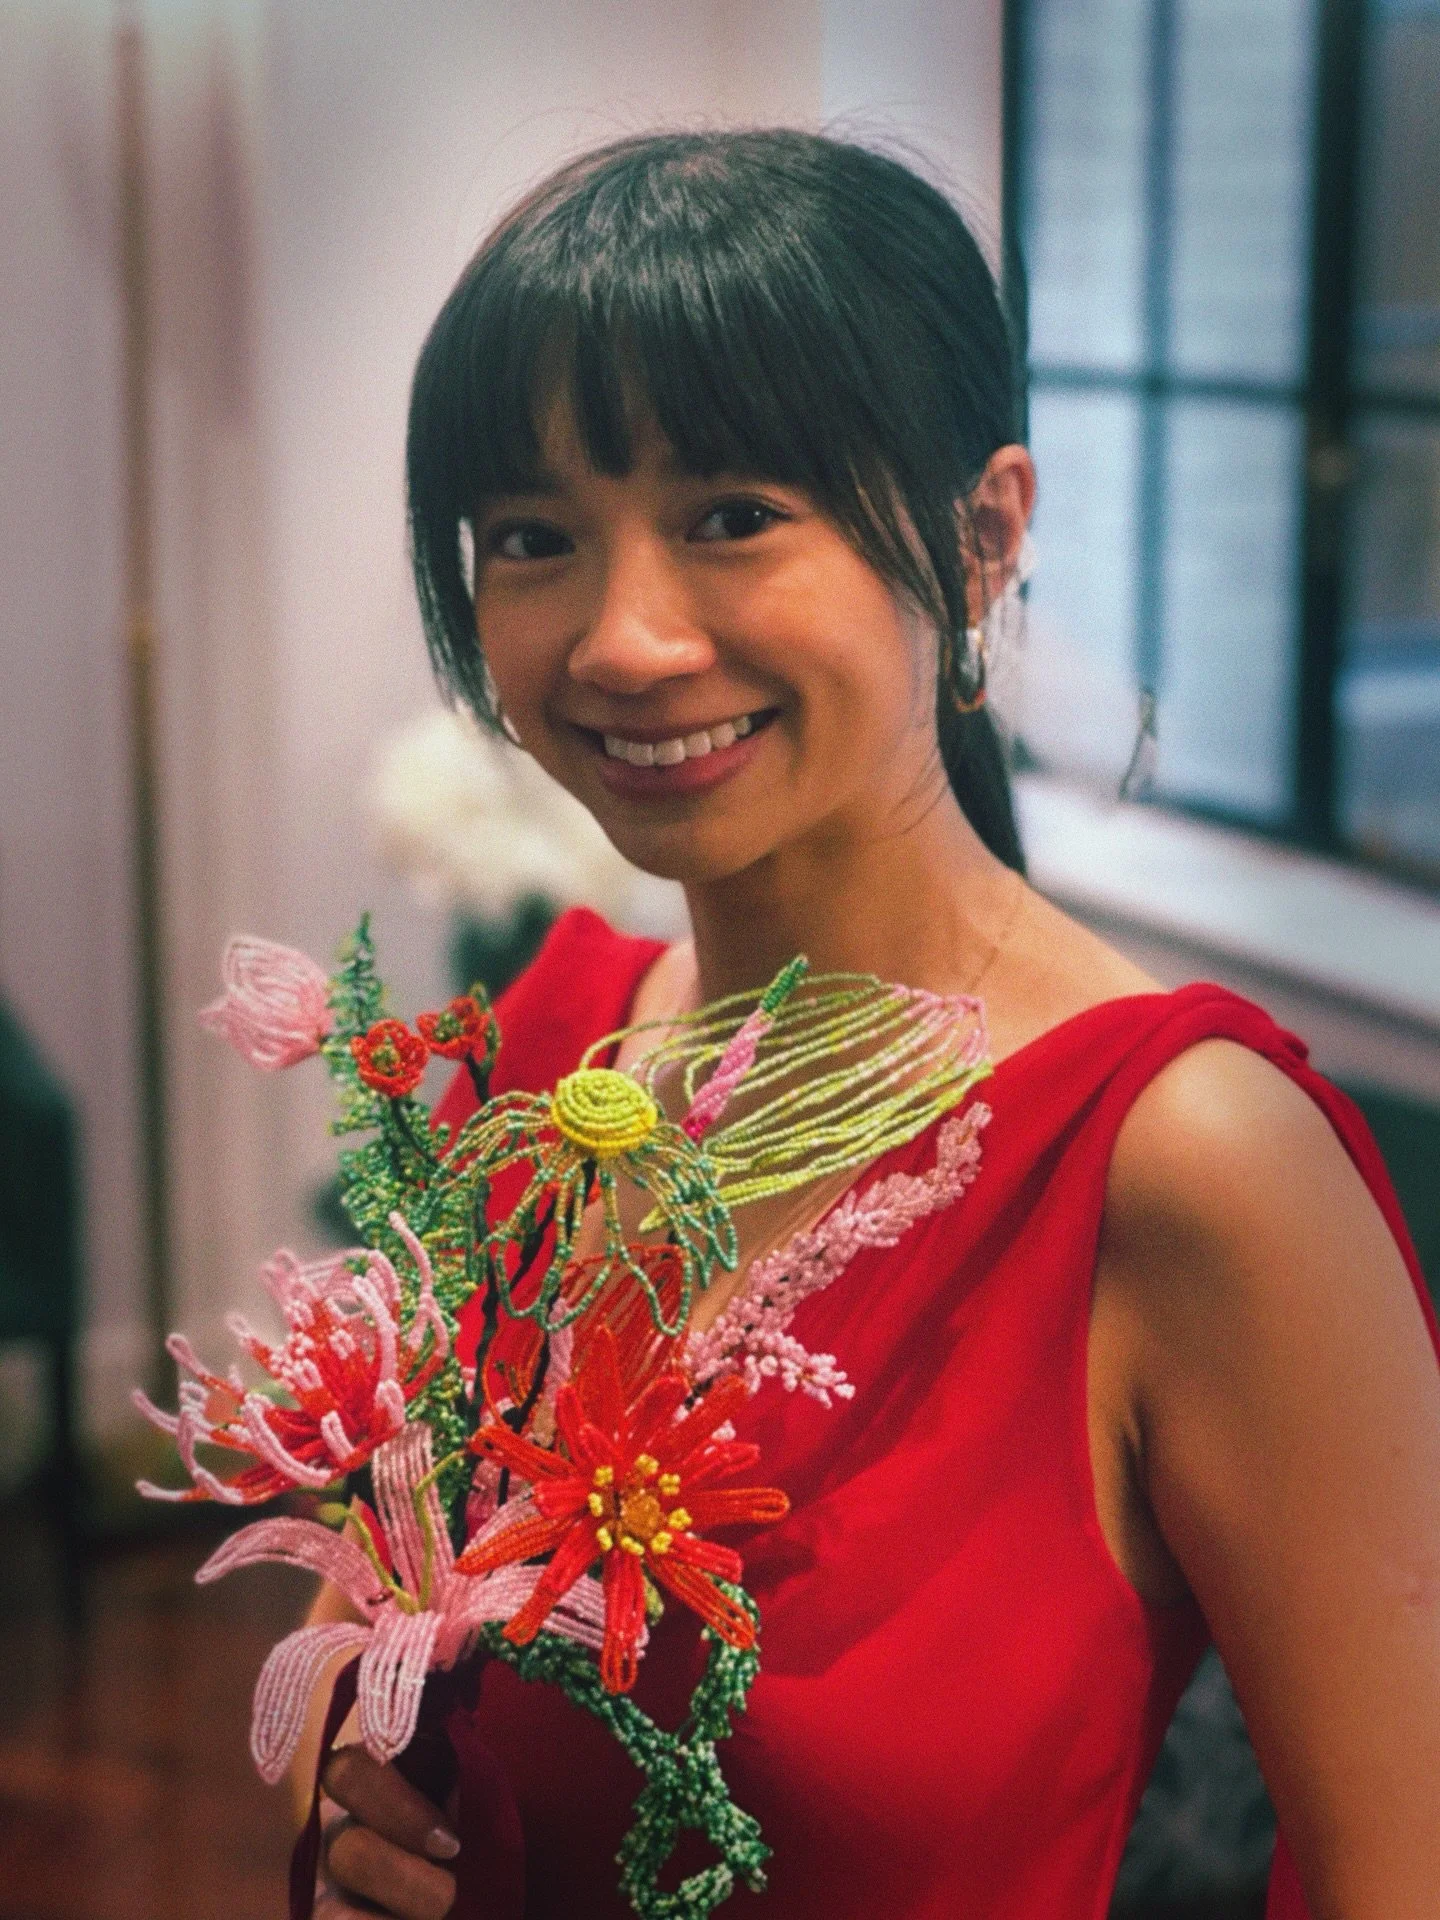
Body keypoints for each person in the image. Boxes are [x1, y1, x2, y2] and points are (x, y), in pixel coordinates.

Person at [302, 130, 1440, 1919]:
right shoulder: (561, 1051)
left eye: (732, 515)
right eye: (534, 538)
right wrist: (343, 1770)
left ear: (980, 538)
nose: (622, 636)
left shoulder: (1185, 1163)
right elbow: (376, 1619)